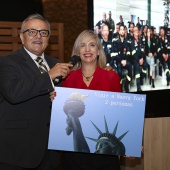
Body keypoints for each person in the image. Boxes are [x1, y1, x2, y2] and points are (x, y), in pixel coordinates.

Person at [0, 14, 72, 170]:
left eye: (43, 32)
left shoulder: (55, 63)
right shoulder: (7, 62)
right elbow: (13, 93)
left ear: (48, 38)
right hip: (17, 152)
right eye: (32, 32)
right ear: (22, 37)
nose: (38, 36)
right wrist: (49, 76)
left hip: (50, 152)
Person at [62, 30, 121, 170]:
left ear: (99, 51)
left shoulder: (111, 77)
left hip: (104, 153)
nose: (87, 49)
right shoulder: (67, 78)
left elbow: (120, 112)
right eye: (82, 45)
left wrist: (131, 142)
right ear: (77, 52)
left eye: (92, 45)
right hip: (75, 156)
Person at [129, 26, 148, 92]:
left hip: (141, 58)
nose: (137, 32)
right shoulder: (132, 42)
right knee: (137, 67)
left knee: (145, 66)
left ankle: (141, 78)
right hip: (135, 59)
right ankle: (138, 87)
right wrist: (139, 60)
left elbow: (143, 51)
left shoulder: (140, 41)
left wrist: (142, 58)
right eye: (135, 31)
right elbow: (133, 54)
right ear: (133, 32)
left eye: (137, 30)